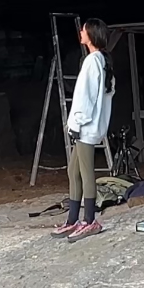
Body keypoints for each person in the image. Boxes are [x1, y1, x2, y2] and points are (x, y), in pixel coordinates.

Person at [53, 18, 115, 241]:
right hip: (93, 126)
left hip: (85, 127)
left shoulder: (91, 61)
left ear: (91, 35)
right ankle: (73, 220)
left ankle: (89, 220)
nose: (81, 32)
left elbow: (84, 98)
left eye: (84, 30)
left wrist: (76, 123)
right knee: (73, 171)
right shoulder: (103, 61)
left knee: (86, 174)